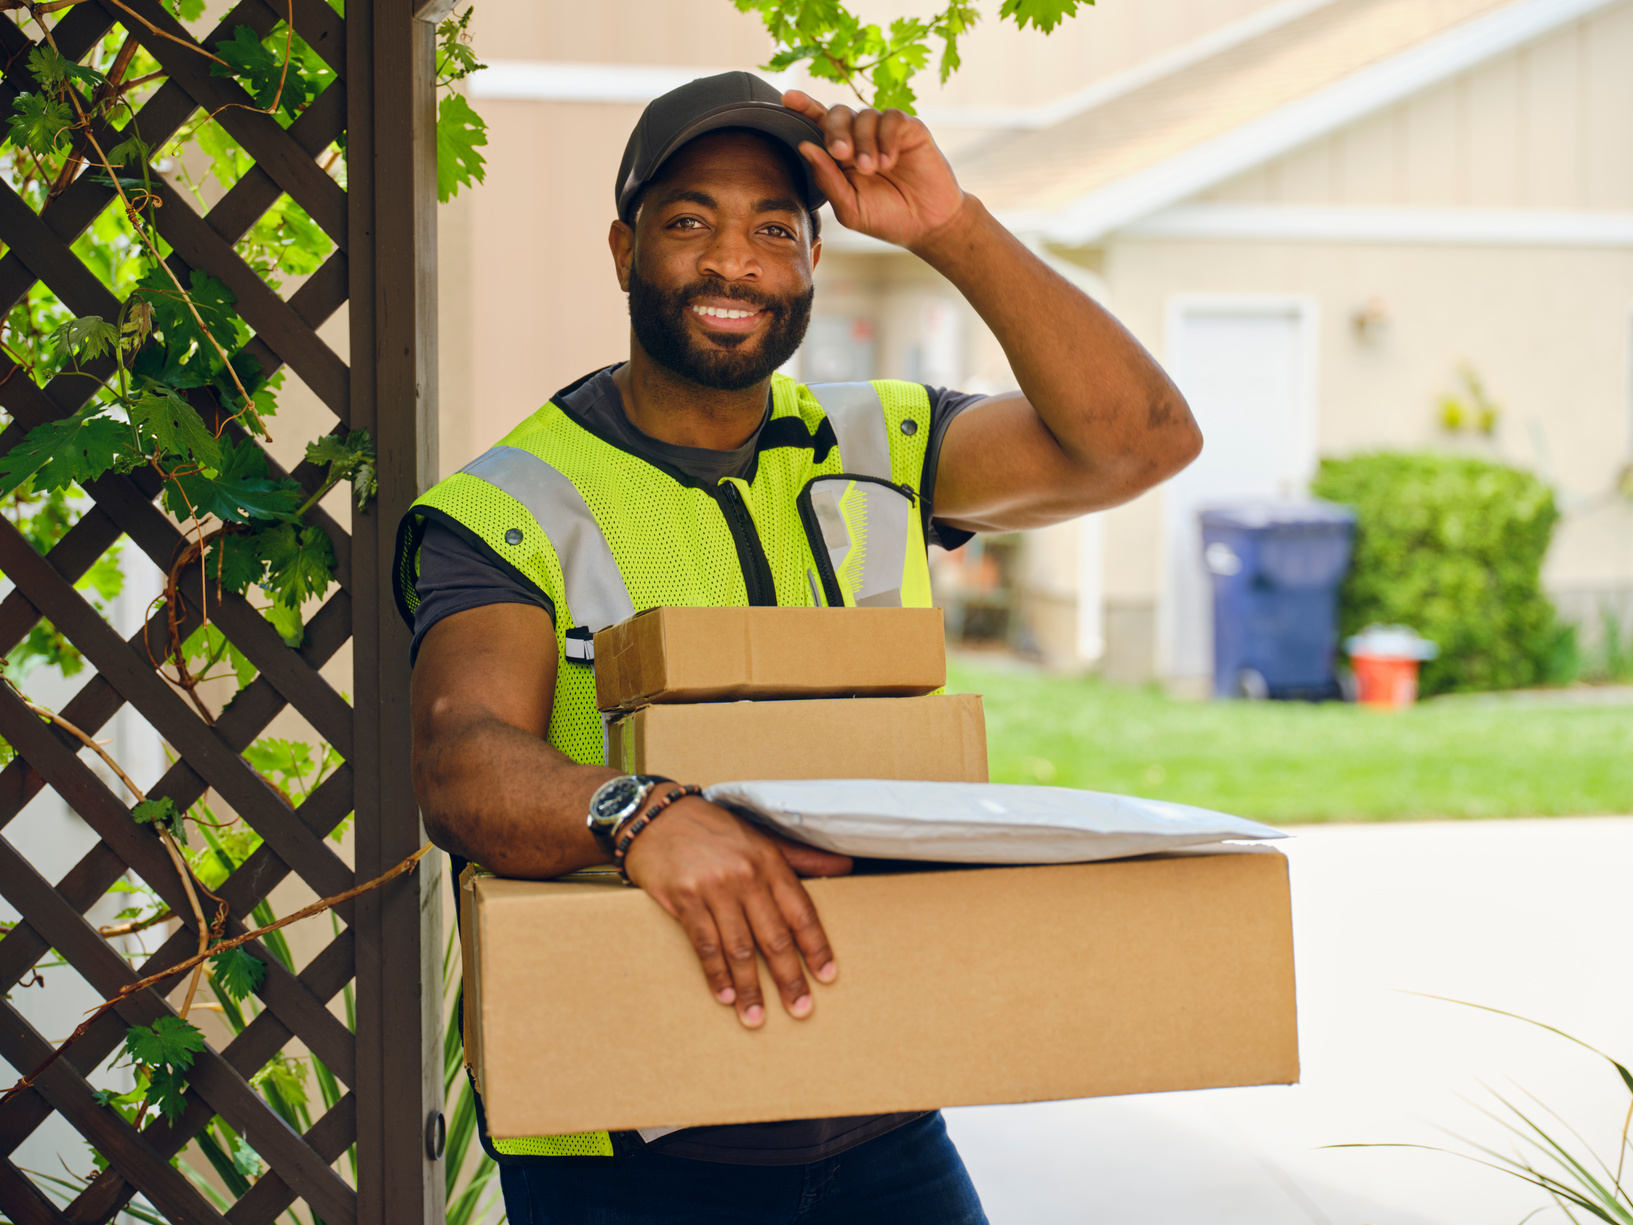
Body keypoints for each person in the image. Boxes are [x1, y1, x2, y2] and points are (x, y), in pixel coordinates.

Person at [399, 70, 1201, 1225]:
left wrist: (951, 231)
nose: (735, 264)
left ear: (814, 263)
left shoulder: (886, 439)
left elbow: (1144, 441)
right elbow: (460, 760)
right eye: (690, 224)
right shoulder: (515, 502)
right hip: (627, 1136)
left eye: (775, 229)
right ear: (622, 249)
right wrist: (639, 812)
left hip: (877, 1109)